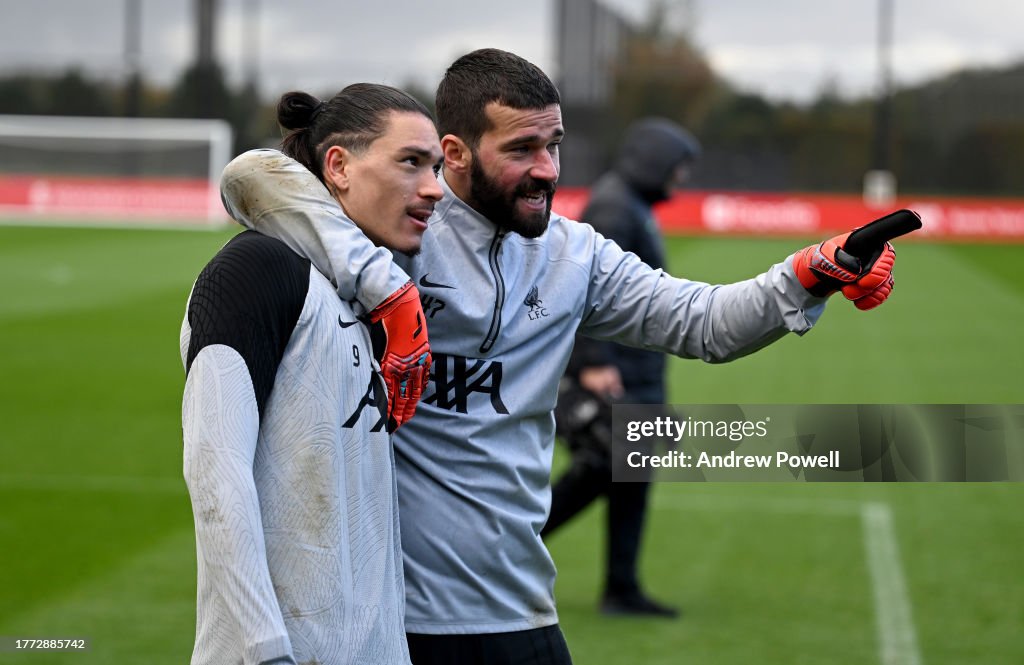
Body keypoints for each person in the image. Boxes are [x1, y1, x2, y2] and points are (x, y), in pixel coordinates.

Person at [218, 49, 899, 665]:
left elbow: (705, 323)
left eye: (555, 144)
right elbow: (254, 178)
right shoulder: (390, 229)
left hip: (521, 608)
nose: (546, 169)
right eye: (522, 148)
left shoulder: (576, 254)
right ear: (453, 153)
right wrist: (385, 289)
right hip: (398, 623)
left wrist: (812, 271)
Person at [180, 83, 443, 665]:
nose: (434, 187)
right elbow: (215, 474)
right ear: (339, 165)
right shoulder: (256, 269)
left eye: (438, 167)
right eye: (412, 162)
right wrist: (267, 650)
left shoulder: (369, 291)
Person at [542, 117, 701, 618]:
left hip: (637, 370)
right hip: (619, 372)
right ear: (654, 161)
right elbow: (584, 285)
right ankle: (504, 547)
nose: (682, 178)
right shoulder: (615, 206)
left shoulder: (630, 203)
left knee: (628, 474)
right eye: (678, 167)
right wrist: (594, 361)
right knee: (602, 467)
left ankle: (622, 587)